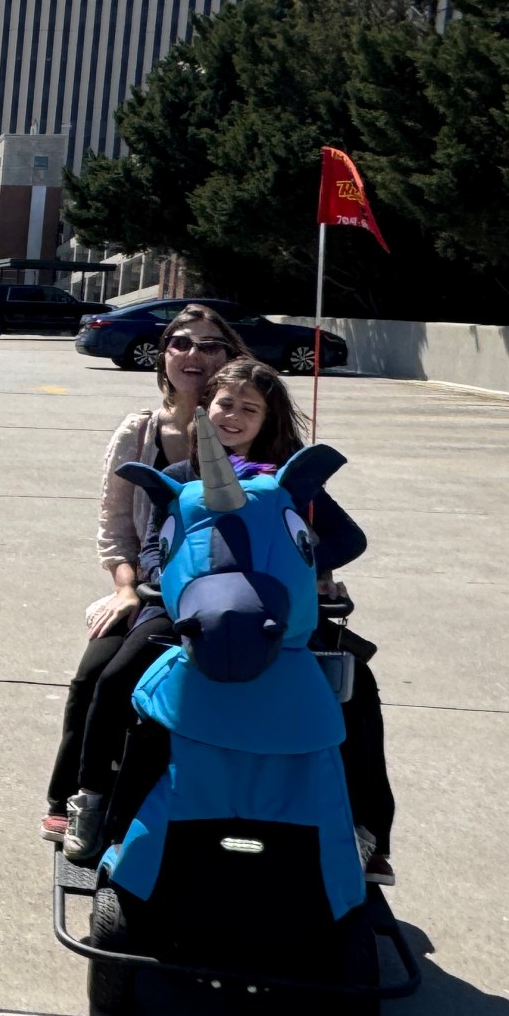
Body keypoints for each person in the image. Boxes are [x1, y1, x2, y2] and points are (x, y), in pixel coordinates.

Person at [62, 357, 398, 884]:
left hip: (277, 620)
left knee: (359, 691)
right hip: (186, 613)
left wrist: (308, 562)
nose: (233, 416)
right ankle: (94, 796)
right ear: (206, 408)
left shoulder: (290, 486)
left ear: (268, 419)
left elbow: (349, 538)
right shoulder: (179, 477)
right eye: (224, 404)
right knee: (115, 678)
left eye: (249, 408)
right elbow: (154, 549)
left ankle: (365, 825)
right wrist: (175, 578)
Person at [43, 304, 250, 842]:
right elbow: (115, 525)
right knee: (97, 676)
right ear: (164, 355)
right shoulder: (140, 433)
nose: (193, 355)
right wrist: (126, 587)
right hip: (150, 588)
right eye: (181, 343)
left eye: (209, 345)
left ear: (230, 357)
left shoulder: (248, 427)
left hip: (233, 592)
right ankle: (73, 795)